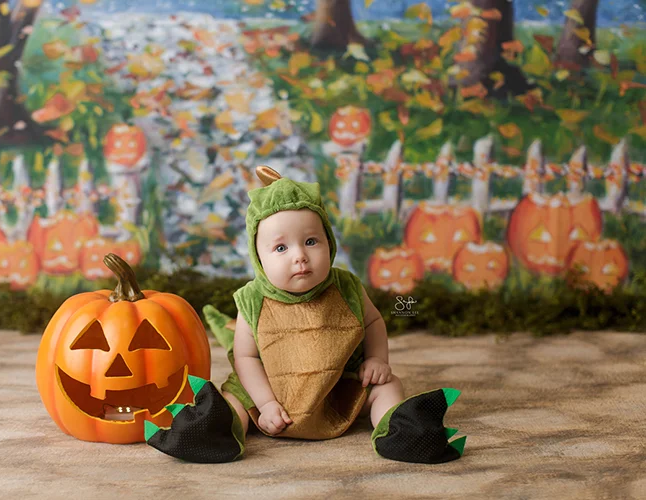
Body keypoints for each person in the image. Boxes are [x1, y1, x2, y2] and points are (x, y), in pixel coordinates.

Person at [145, 166, 466, 464]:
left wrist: (377, 359)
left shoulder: (346, 287)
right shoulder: (252, 300)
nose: (300, 256)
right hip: (270, 389)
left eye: (311, 241)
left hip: (337, 386)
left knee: (386, 384)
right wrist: (266, 403)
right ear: (258, 258)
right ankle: (216, 432)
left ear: (329, 242)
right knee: (235, 396)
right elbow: (246, 358)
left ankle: (397, 429)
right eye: (281, 248)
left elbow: (373, 322)